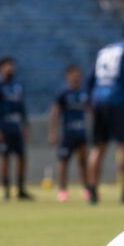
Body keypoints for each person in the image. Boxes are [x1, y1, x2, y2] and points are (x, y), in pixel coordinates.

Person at [86, 24, 124, 205]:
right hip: (117, 100)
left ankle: (93, 191)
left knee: (98, 147)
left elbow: (91, 78)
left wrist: (91, 100)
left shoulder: (105, 50)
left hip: (98, 99)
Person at [0, 56, 32, 201]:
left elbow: (22, 107)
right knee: (5, 158)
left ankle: (21, 189)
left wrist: (25, 124)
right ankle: (6, 190)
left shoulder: (18, 86)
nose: (11, 68)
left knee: (21, 157)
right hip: (4, 127)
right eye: (7, 66)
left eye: (12, 66)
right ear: (1, 68)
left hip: (17, 126)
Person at [48, 65, 88, 202]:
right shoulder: (63, 94)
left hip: (81, 132)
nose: (76, 77)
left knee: (83, 161)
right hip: (67, 133)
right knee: (64, 162)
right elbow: (55, 112)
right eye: (73, 74)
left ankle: (87, 189)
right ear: (68, 76)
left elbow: (91, 110)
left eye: (78, 74)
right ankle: (63, 190)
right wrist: (53, 131)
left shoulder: (84, 94)